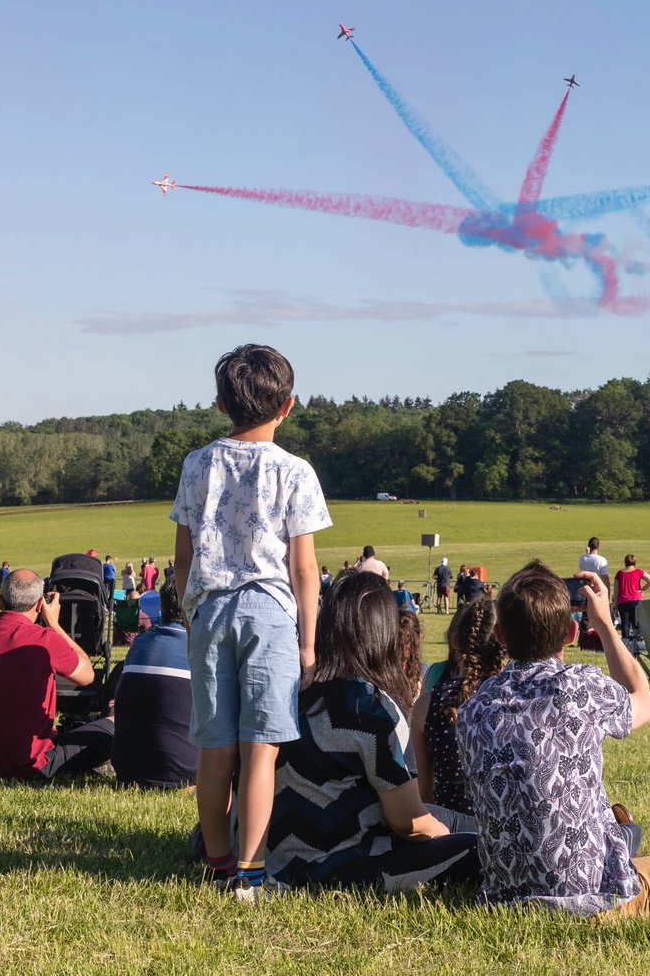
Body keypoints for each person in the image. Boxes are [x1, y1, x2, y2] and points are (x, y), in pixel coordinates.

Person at [457, 562, 650, 918]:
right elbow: (642, 699)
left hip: (504, 899)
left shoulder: (474, 708)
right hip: (593, 896)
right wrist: (605, 625)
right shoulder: (580, 687)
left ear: (499, 636)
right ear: (572, 634)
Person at [171, 343, 332, 902]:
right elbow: (304, 567)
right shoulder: (296, 471)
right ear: (288, 405)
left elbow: (182, 561)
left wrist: (191, 617)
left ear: (220, 404)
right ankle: (252, 871)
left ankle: (216, 863)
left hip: (210, 608)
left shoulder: (196, 464)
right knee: (261, 749)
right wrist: (309, 642)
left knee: (215, 748)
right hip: (269, 612)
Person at [265, 570, 479, 892]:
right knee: (480, 848)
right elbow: (408, 824)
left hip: (275, 857)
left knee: (453, 820)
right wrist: (449, 837)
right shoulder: (371, 707)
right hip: (339, 865)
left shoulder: (294, 692)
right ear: (383, 633)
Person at [0, 569, 113, 780]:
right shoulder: (44, 639)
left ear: (0, 601)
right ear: (40, 605)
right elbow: (87, 675)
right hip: (32, 766)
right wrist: (54, 624)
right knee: (117, 723)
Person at [410, 598, 505, 814]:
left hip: (450, 831)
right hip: (505, 831)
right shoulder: (518, 698)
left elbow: (425, 790)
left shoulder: (427, 705)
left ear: (455, 641)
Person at [111, 577, 199, 789]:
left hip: (127, 769)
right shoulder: (200, 647)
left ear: (162, 605)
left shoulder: (140, 643)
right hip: (183, 771)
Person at [613, 554, 650, 645]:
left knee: (625, 624)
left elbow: (616, 590)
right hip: (636, 600)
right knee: (636, 623)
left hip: (623, 601)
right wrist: (643, 590)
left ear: (625, 562)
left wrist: (615, 603)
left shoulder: (619, 574)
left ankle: (626, 643)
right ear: (635, 562)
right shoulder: (638, 572)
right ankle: (637, 642)